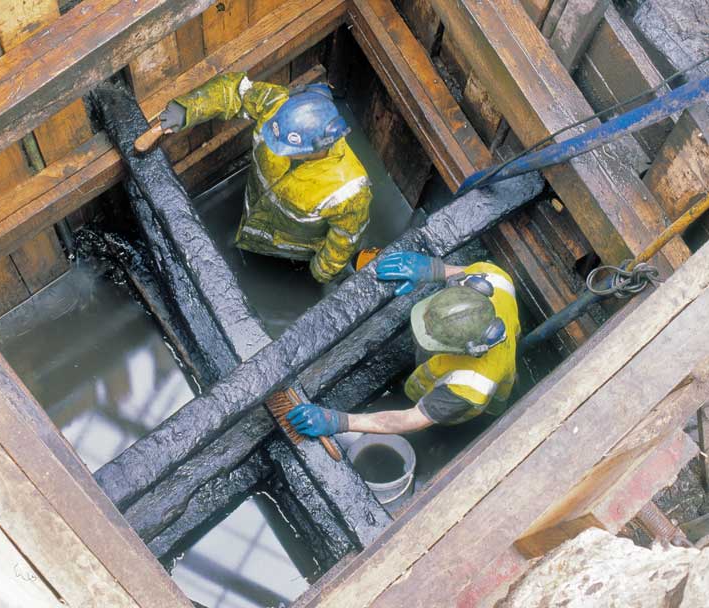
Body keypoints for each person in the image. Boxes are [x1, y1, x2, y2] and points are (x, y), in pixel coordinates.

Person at [159, 73, 372, 283]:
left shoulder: (350, 189)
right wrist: (190, 108)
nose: (276, 149)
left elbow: (344, 240)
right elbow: (237, 91)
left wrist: (321, 273)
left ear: (321, 145)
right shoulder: (277, 106)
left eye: (288, 149)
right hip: (250, 217)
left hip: (286, 252)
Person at [287, 251, 520, 436]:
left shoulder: (469, 387)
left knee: (443, 414)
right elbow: (466, 272)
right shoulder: (495, 279)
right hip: (452, 365)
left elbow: (412, 419)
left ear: (467, 349)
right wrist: (432, 269)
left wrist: (341, 421)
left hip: (468, 400)